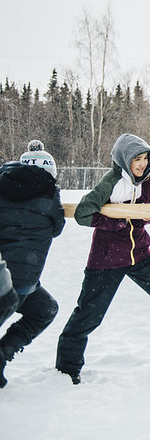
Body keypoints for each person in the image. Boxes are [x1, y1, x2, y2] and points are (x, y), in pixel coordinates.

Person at [55, 133, 150, 384]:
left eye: (145, 159)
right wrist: (116, 222)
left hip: (139, 254)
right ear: (125, 159)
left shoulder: (149, 181)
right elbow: (84, 214)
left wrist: (142, 216)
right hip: (106, 258)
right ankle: (67, 367)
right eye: (137, 159)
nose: (142, 164)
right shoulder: (111, 181)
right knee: (88, 314)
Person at [0, 148, 65, 388]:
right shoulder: (49, 195)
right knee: (44, 311)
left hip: (5, 275)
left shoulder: (2, 184)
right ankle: (4, 352)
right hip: (20, 282)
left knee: (45, 308)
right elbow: (57, 229)